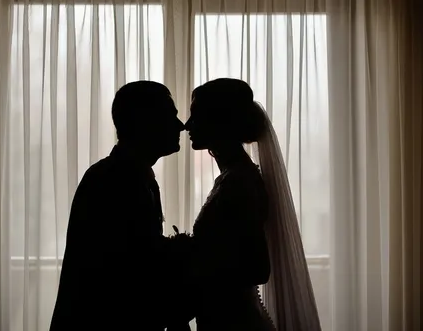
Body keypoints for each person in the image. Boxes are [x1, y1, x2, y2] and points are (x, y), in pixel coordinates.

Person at [49, 81, 193, 331]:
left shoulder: (132, 175)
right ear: (145, 122)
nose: (180, 126)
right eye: (171, 116)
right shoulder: (110, 179)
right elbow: (126, 274)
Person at [185, 78, 322, 331]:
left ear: (220, 121)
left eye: (197, 116)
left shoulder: (240, 182)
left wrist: (193, 269)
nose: (187, 125)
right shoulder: (232, 177)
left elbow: (258, 268)